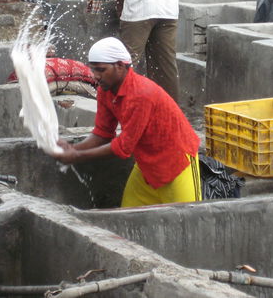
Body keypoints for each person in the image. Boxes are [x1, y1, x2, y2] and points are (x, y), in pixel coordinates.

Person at [52, 37, 201, 207]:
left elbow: (123, 147)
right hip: (147, 165)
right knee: (128, 216)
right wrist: (72, 149)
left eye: (101, 70)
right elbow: (102, 133)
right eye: (93, 69)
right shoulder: (105, 91)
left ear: (120, 66)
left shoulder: (141, 94)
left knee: (186, 219)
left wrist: (77, 156)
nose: (96, 75)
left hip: (177, 162)